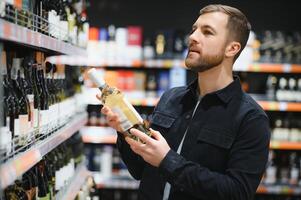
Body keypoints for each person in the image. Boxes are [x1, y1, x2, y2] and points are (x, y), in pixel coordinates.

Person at [100, 4, 271, 200]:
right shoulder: (171, 98)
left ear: (232, 48)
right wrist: (124, 130)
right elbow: (140, 170)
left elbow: (237, 193)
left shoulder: (250, 118)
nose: (193, 37)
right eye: (194, 29)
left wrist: (167, 160)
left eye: (207, 32)